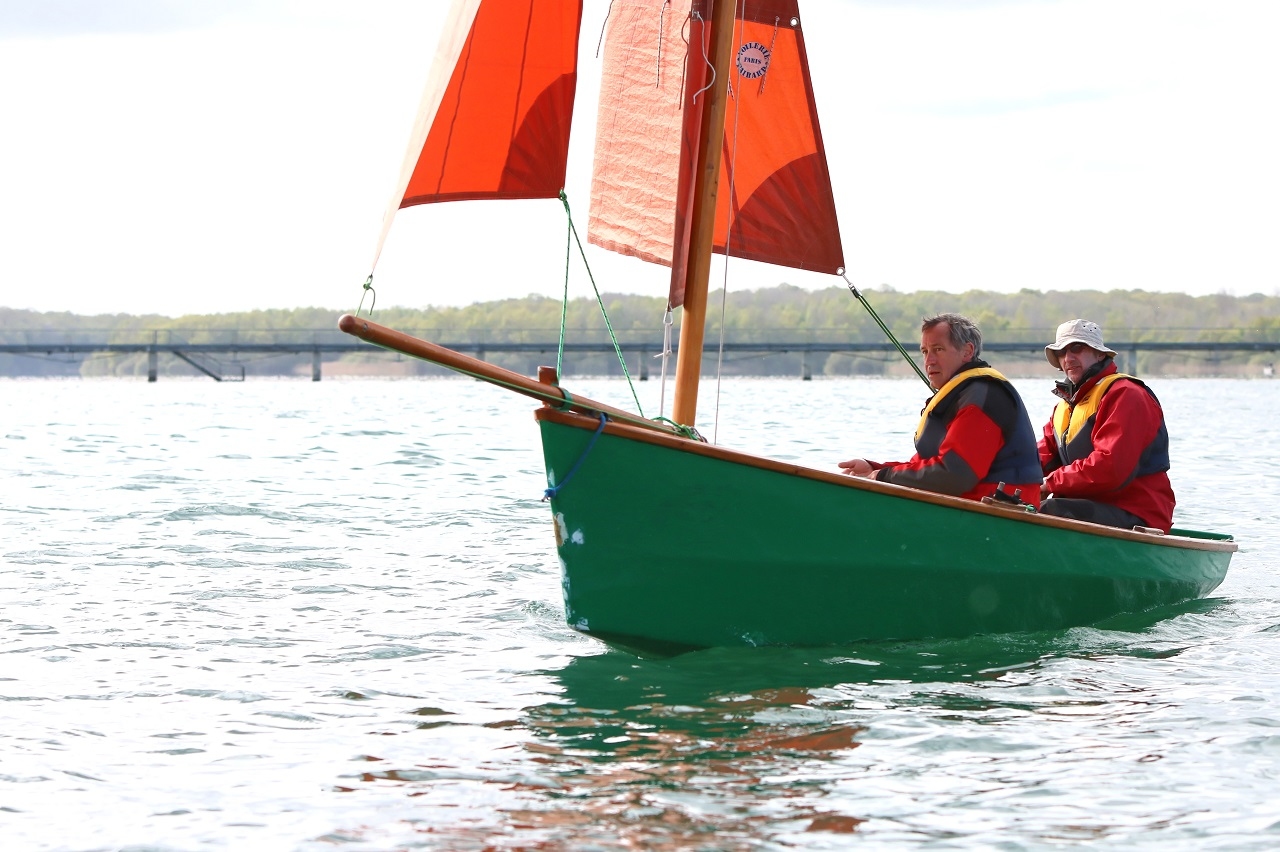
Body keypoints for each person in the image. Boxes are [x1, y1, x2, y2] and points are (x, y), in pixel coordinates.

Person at [838, 313, 1042, 506]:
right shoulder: (961, 395)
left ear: (967, 352)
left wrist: (883, 477)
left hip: (999, 512)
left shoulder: (982, 395)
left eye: (938, 349)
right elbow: (925, 465)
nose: (929, 361)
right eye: (925, 352)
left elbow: (956, 474)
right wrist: (876, 469)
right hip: (968, 506)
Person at [1037, 319, 1175, 532]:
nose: (1068, 358)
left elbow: (1109, 467)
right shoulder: (1063, 408)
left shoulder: (1127, 394)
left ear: (1100, 354)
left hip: (1137, 514)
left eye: (1076, 348)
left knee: (1048, 509)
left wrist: (1051, 483)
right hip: (1091, 510)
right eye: (1061, 353)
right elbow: (1036, 459)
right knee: (1018, 505)